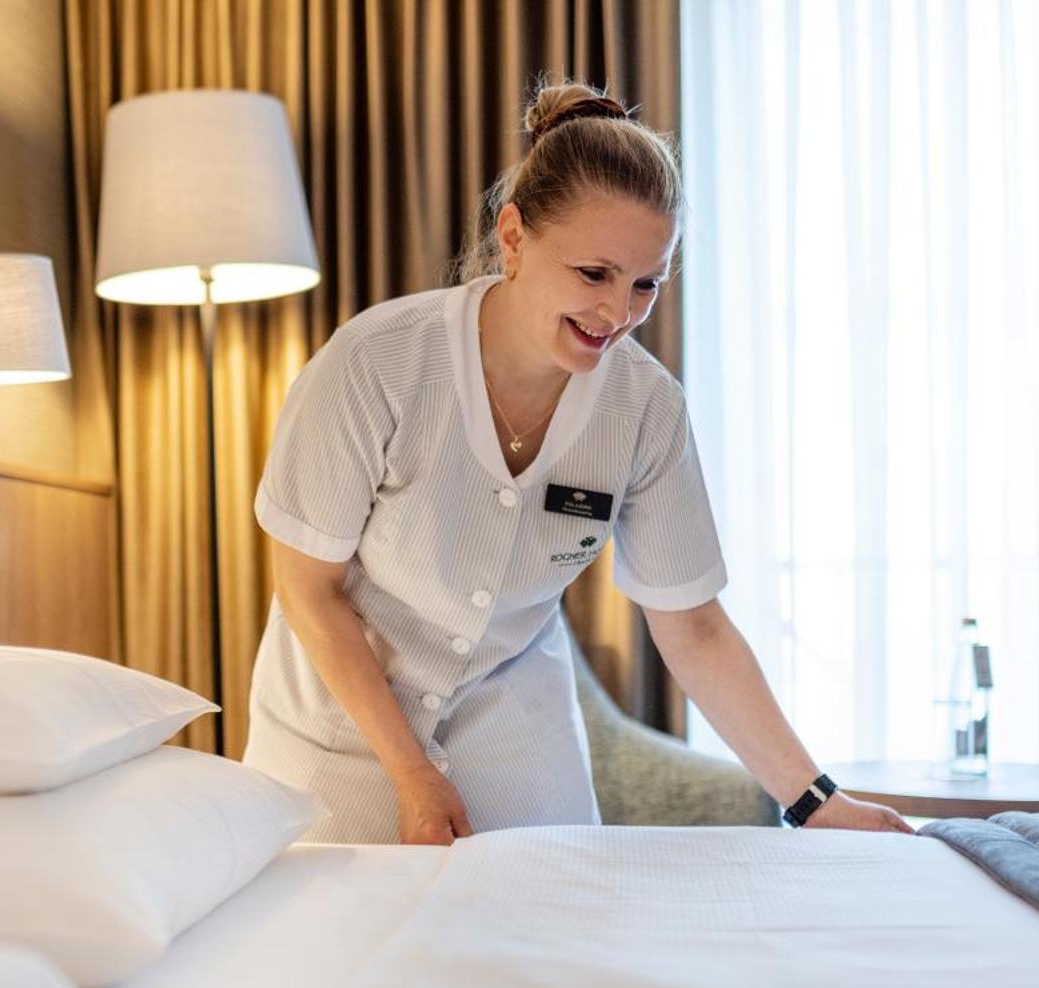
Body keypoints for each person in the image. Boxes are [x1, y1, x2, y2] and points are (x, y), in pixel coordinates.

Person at [243, 78, 913, 845]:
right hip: (339, 730)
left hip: (513, 733)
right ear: (514, 237)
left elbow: (692, 626)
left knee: (548, 945)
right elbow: (308, 590)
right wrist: (410, 772)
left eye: (645, 284)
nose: (617, 313)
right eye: (594, 274)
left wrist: (814, 799)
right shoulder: (376, 364)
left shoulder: (645, 411)